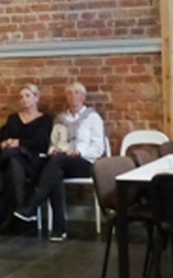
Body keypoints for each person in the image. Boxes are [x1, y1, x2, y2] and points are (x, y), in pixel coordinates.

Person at [14, 82, 105, 241]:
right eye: (69, 93)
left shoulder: (93, 118)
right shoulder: (60, 119)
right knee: (55, 172)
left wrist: (78, 152)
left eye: (76, 93)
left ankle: (33, 205)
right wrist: (54, 150)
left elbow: (99, 147)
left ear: (83, 97)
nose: (73, 96)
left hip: (84, 162)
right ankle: (59, 229)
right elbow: (53, 143)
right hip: (61, 160)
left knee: (55, 164)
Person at [0, 84, 53, 227]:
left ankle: (14, 214)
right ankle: (22, 208)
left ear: (36, 98)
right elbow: (4, 137)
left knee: (12, 160)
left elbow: (41, 143)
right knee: (13, 161)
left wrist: (19, 142)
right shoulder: (13, 118)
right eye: (21, 97)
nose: (24, 99)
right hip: (14, 159)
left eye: (27, 96)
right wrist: (5, 143)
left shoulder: (44, 119)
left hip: (33, 160)